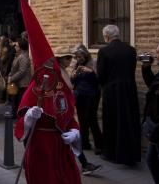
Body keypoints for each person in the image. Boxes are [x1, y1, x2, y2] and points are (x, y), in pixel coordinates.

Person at [15, 0, 108, 184]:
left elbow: (71, 118)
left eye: (55, 66)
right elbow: (21, 124)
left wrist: (76, 133)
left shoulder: (65, 90)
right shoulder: (34, 89)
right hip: (40, 152)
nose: (53, 72)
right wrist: (30, 117)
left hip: (62, 150)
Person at [97, 25, 141, 165]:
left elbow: (101, 75)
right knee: (129, 120)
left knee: (112, 122)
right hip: (129, 90)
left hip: (112, 91)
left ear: (107, 37)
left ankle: (111, 153)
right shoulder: (131, 50)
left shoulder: (104, 51)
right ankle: (131, 154)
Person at [56, 50, 101, 176]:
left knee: (73, 137)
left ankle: (84, 164)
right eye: (67, 58)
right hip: (60, 111)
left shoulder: (64, 70)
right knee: (69, 138)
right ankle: (82, 164)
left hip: (68, 108)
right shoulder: (57, 71)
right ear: (60, 59)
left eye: (71, 58)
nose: (70, 61)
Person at [139, 44, 159, 184]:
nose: (156, 52)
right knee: (152, 161)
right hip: (155, 127)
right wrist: (146, 68)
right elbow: (153, 85)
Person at [69, 44, 103, 154]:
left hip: (92, 94)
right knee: (82, 119)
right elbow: (72, 81)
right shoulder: (77, 64)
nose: (78, 59)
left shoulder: (93, 62)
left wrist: (91, 72)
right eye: (77, 57)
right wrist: (73, 76)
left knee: (91, 118)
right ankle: (85, 143)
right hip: (80, 94)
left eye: (80, 56)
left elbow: (99, 79)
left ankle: (99, 145)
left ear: (85, 55)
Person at [7, 36, 31, 117]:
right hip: (18, 83)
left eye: (17, 45)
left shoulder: (23, 57)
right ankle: (16, 115)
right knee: (15, 100)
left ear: (21, 47)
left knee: (20, 102)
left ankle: (19, 119)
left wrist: (12, 78)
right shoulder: (19, 55)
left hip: (22, 84)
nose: (15, 47)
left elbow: (22, 71)